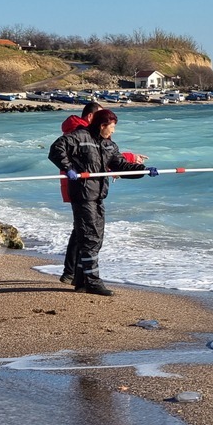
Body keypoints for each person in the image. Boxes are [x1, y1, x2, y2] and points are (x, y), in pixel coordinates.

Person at [49, 109, 157, 296]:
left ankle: (81, 280)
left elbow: (122, 166)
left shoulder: (109, 145)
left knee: (95, 238)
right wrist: (68, 168)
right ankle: (92, 281)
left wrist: (143, 170)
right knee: (90, 237)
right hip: (83, 194)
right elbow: (56, 149)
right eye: (112, 127)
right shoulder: (79, 137)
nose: (113, 131)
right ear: (102, 125)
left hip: (98, 195)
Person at [57, 102, 102, 284]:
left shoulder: (81, 132)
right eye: (100, 116)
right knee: (82, 230)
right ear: (90, 117)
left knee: (80, 229)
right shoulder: (80, 134)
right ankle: (72, 273)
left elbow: (97, 158)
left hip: (83, 185)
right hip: (80, 186)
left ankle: (72, 272)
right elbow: (92, 157)